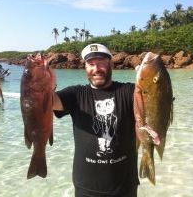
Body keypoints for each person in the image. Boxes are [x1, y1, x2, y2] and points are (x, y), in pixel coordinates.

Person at [53, 43, 139, 197]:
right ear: (85, 67)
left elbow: (157, 99)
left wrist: (150, 75)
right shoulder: (76, 94)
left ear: (111, 64)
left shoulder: (128, 92)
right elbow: (48, 102)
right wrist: (43, 80)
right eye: (91, 64)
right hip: (86, 188)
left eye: (101, 63)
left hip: (124, 187)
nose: (96, 69)